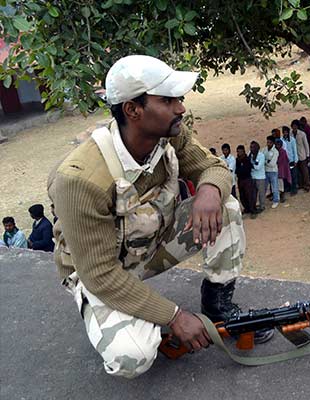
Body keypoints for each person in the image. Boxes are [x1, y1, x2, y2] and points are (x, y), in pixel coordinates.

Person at [47, 55, 272, 379]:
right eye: (168, 100)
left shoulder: (169, 134)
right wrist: (174, 316)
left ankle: (217, 305)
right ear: (132, 110)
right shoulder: (81, 179)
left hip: (147, 245)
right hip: (98, 271)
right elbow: (100, 274)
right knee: (133, 356)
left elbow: (213, 168)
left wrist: (209, 191)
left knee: (227, 208)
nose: (180, 107)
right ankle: (126, 319)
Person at [235, 145, 256, 216]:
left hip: (247, 179)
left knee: (249, 195)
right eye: (238, 151)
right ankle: (247, 208)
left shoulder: (247, 159)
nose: (239, 153)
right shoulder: (237, 160)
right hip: (240, 180)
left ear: (244, 151)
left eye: (240, 151)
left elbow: (247, 170)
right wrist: (240, 170)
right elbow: (236, 170)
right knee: (242, 195)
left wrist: (240, 170)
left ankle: (253, 210)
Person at [291, 119, 310, 192]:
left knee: (305, 171)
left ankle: (307, 185)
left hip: (302, 155)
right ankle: (301, 184)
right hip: (295, 156)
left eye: (295, 126)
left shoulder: (302, 134)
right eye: (293, 126)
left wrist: (308, 155)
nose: (294, 127)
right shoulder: (290, 134)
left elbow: (306, 145)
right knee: (298, 171)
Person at [263, 136, 280, 209]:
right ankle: (262, 200)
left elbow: (272, 163)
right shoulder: (264, 150)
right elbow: (261, 159)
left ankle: (276, 200)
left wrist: (265, 162)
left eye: (270, 142)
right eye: (267, 142)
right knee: (264, 187)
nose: (268, 144)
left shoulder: (275, 152)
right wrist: (267, 161)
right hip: (266, 171)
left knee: (274, 186)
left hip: (273, 171)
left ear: (273, 143)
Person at [281, 126, 299, 195]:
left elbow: (294, 150)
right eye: (284, 132)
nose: (285, 133)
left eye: (286, 132)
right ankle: (288, 188)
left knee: (293, 175)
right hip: (285, 161)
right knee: (286, 175)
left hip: (291, 160)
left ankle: (294, 189)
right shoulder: (281, 140)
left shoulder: (292, 140)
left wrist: (295, 160)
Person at [250, 140, 267, 212]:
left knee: (261, 193)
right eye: (250, 147)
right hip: (253, 176)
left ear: (257, 148)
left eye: (253, 147)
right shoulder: (250, 155)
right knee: (253, 193)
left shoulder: (261, 156)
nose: (251, 149)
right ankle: (255, 205)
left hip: (260, 177)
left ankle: (262, 206)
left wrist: (251, 165)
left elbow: (258, 167)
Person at [275, 139, 292, 203]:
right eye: (276, 144)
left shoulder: (283, 151)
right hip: (277, 169)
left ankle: (282, 196)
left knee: (281, 184)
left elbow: (281, 161)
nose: (277, 146)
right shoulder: (275, 151)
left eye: (278, 144)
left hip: (281, 169)